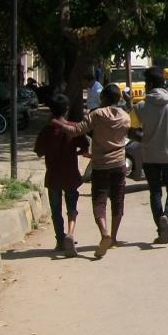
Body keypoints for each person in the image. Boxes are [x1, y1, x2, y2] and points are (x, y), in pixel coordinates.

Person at [64, 84, 131, 258]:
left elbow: (77, 130)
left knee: (99, 202)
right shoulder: (125, 116)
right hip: (119, 164)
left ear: (104, 98)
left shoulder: (96, 115)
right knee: (118, 201)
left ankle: (104, 233)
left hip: (101, 164)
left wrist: (58, 122)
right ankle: (114, 238)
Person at [130, 67, 168, 245]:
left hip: (149, 156)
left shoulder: (140, 106)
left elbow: (131, 131)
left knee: (155, 192)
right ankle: (167, 216)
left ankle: (160, 227)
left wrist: (145, 139)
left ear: (148, 85)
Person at [34, 95, 89, 257]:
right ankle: (70, 234)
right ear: (66, 109)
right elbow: (85, 148)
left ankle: (60, 239)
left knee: (56, 209)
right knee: (72, 206)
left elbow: (39, 152)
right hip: (70, 174)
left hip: (53, 176)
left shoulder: (47, 130)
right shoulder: (73, 128)